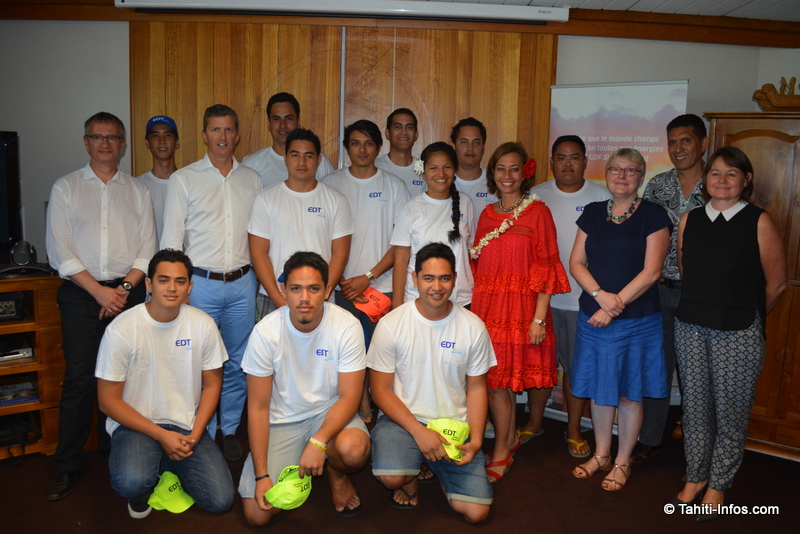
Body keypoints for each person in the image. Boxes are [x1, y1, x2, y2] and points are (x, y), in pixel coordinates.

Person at [45, 111, 157, 501]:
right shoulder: (67, 188)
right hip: (81, 295)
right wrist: (99, 292)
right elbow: (59, 249)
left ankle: (118, 451)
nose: (105, 143)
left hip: (128, 294)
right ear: (86, 142)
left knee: (128, 378)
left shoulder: (138, 191)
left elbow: (147, 247)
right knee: (79, 380)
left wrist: (123, 288)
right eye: (98, 137)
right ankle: (68, 464)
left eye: (113, 137)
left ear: (123, 145)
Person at [672, 146, 786, 520]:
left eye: (731, 174)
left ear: (746, 180)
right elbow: (689, 274)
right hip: (690, 326)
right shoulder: (689, 220)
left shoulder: (759, 221)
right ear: (706, 179)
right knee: (695, 410)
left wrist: (744, 316)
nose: (722, 180)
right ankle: (696, 475)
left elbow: (776, 284)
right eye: (715, 173)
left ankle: (718, 482)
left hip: (738, 332)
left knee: (730, 413)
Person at [96, 249, 234, 518]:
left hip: (185, 424)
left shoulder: (203, 325)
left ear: (190, 286)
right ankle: (149, 475)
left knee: (220, 501)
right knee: (131, 482)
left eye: (180, 281)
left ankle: (166, 464)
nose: (172, 288)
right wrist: (161, 435)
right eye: (163, 280)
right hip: (134, 424)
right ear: (148, 284)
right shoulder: (122, 329)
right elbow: (107, 401)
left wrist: (195, 434)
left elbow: (213, 384)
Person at [161, 104, 262, 462]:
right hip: (198, 285)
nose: (222, 137)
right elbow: (171, 241)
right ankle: (192, 428)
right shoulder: (184, 179)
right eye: (215, 130)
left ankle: (229, 428)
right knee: (194, 359)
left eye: (229, 130)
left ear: (237, 135)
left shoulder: (252, 179)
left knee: (237, 361)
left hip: (241, 284)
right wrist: (176, 290)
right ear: (204, 135)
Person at [239, 251, 370, 526]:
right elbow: (258, 407)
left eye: (313, 289)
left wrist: (318, 441)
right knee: (256, 514)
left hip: (329, 412)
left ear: (327, 290)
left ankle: (336, 472)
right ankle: (298, 461)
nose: (304, 298)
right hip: (282, 420)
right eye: (296, 289)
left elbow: (350, 397)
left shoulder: (347, 326)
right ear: (283, 290)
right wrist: (262, 476)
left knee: (354, 451)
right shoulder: (265, 332)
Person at [369, 243, 496, 523]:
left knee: (477, 513)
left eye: (444, 278)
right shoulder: (391, 324)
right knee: (391, 477)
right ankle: (411, 476)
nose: (436, 287)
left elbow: (476, 388)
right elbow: (379, 390)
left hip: (453, 425)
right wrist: (418, 431)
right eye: (428, 278)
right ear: (415, 279)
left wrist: (475, 440)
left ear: (455, 278)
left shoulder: (473, 326)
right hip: (403, 421)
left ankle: (437, 469)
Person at [568, 148, 671, 491]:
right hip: (593, 317)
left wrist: (613, 305)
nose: (622, 176)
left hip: (636, 321)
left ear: (641, 177)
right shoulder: (594, 213)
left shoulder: (654, 215)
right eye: (615, 169)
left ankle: (623, 461)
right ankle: (601, 454)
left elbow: (652, 271)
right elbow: (576, 263)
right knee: (600, 391)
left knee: (629, 394)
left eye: (631, 170)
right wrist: (600, 297)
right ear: (606, 174)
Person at [471, 142, 571, 482]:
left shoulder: (538, 212)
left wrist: (539, 318)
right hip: (490, 309)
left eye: (514, 169)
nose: (507, 176)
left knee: (506, 383)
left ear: (524, 173)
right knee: (496, 381)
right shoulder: (486, 214)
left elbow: (546, 265)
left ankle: (501, 450)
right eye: (501, 169)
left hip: (525, 310)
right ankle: (508, 438)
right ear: (492, 173)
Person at [322, 119, 410, 422]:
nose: (362, 149)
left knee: (382, 357)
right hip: (341, 288)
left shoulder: (394, 186)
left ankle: (385, 414)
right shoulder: (331, 183)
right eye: (356, 143)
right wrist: (341, 279)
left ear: (379, 147)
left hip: (380, 287)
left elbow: (402, 242)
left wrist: (368, 277)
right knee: (348, 354)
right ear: (346, 148)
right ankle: (361, 410)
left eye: (369, 143)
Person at [531, 135, 609, 459]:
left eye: (574, 157)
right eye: (561, 158)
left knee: (576, 369)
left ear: (585, 161)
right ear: (551, 162)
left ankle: (573, 429)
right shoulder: (536, 195)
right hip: (541, 301)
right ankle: (534, 423)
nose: (567, 163)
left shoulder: (601, 197)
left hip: (582, 302)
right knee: (540, 365)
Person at [637, 114, 709, 462]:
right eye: (673, 142)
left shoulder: (719, 184)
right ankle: (649, 439)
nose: (678, 149)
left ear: (703, 143)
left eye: (686, 141)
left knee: (697, 377)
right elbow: (643, 237)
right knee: (657, 369)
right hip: (659, 290)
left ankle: (697, 452)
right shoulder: (657, 185)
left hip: (702, 295)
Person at [249, 128, 353, 319]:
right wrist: (277, 297)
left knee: (321, 349)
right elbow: (258, 253)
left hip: (320, 300)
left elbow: (340, 253)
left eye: (309, 156)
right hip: (274, 298)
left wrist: (322, 294)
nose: (302, 162)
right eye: (295, 155)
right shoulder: (265, 199)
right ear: (285, 158)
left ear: (319, 160)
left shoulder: (336, 200)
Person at [391, 142, 476, 309]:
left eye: (447, 167)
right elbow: (400, 260)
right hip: (418, 299)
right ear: (423, 171)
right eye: (433, 168)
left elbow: (471, 250)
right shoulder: (410, 208)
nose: (441, 174)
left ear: (455, 169)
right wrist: (397, 304)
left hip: (460, 298)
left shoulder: (466, 203)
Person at [242, 92, 334, 188]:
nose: (283, 125)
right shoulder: (252, 164)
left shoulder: (321, 163)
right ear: (269, 124)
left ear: (298, 122)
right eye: (276, 119)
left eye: (289, 118)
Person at [136, 115, 180, 241]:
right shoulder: (138, 186)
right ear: (147, 142)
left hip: (185, 260)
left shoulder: (188, 183)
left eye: (168, 135)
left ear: (177, 142)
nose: (162, 141)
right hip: (148, 260)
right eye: (155, 135)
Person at [376, 108, 425, 196]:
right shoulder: (375, 167)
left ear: (416, 135)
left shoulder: (424, 169)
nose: (404, 132)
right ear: (387, 133)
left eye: (409, 127)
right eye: (398, 127)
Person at [451, 117, 492, 214]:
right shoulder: (442, 181)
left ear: (483, 147)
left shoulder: (495, 182)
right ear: (454, 146)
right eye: (464, 142)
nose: (470, 148)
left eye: (476, 142)